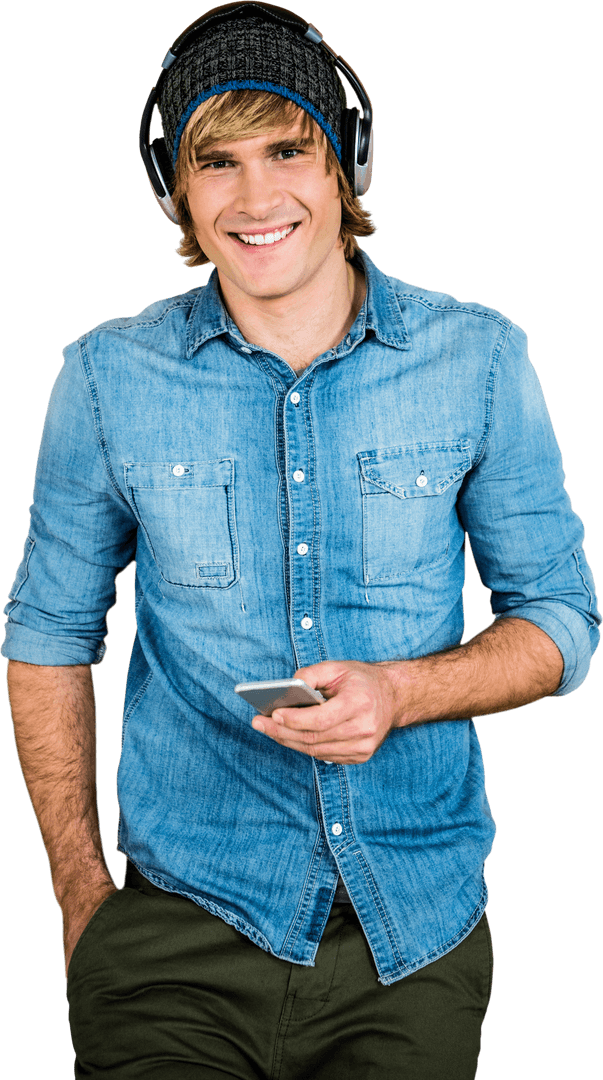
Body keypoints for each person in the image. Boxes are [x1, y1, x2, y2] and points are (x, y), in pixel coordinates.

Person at [3, 2, 600, 1077]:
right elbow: (47, 636)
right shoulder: (106, 378)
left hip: (411, 935)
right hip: (175, 937)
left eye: (289, 149)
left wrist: (403, 693)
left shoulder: (479, 360)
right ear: (173, 186)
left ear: (348, 165)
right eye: (215, 161)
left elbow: (563, 621)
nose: (255, 195)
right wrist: (80, 896)